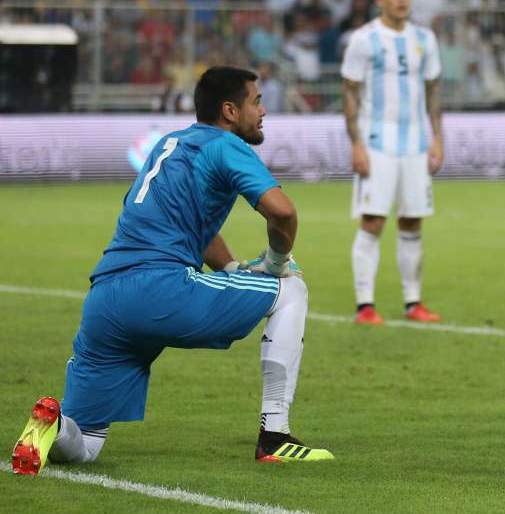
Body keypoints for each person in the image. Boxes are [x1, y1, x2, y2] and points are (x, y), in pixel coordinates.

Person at [11, 67, 332, 475]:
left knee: (86, 442)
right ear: (230, 110)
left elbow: (180, 222)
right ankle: (276, 436)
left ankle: (53, 427)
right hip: (159, 288)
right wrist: (275, 263)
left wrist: (231, 268)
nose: (263, 110)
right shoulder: (225, 146)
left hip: (105, 300)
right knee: (291, 292)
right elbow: (283, 212)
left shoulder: (169, 143)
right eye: (256, 101)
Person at [341, 0, 444, 325]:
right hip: (376, 142)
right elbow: (350, 93)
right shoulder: (364, 39)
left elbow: (432, 91)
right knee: (373, 220)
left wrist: (438, 138)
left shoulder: (424, 39)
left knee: (412, 221)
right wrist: (356, 144)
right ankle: (364, 304)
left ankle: (413, 302)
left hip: (415, 143)